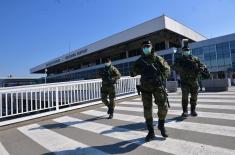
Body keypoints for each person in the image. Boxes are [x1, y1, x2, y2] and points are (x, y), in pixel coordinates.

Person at [131, 40, 171, 142]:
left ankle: (161, 125)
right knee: (147, 110)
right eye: (144, 47)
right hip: (145, 88)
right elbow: (132, 73)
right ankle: (151, 132)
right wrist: (136, 70)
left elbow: (167, 70)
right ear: (142, 48)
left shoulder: (158, 58)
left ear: (151, 47)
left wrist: (162, 76)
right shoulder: (139, 61)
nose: (146, 48)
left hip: (158, 86)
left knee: (163, 107)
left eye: (148, 46)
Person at [173, 39, 210, 118]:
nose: (186, 52)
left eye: (187, 51)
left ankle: (193, 110)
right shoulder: (179, 59)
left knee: (194, 96)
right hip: (184, 81)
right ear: (182, 52)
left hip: (194, 81)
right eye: (185, 51)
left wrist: (201, 68)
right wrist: (182, 67)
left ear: (190, 51)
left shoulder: (195, 59)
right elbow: (174, 66)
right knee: (185, 97)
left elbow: (202, 65)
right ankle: (185, 111)